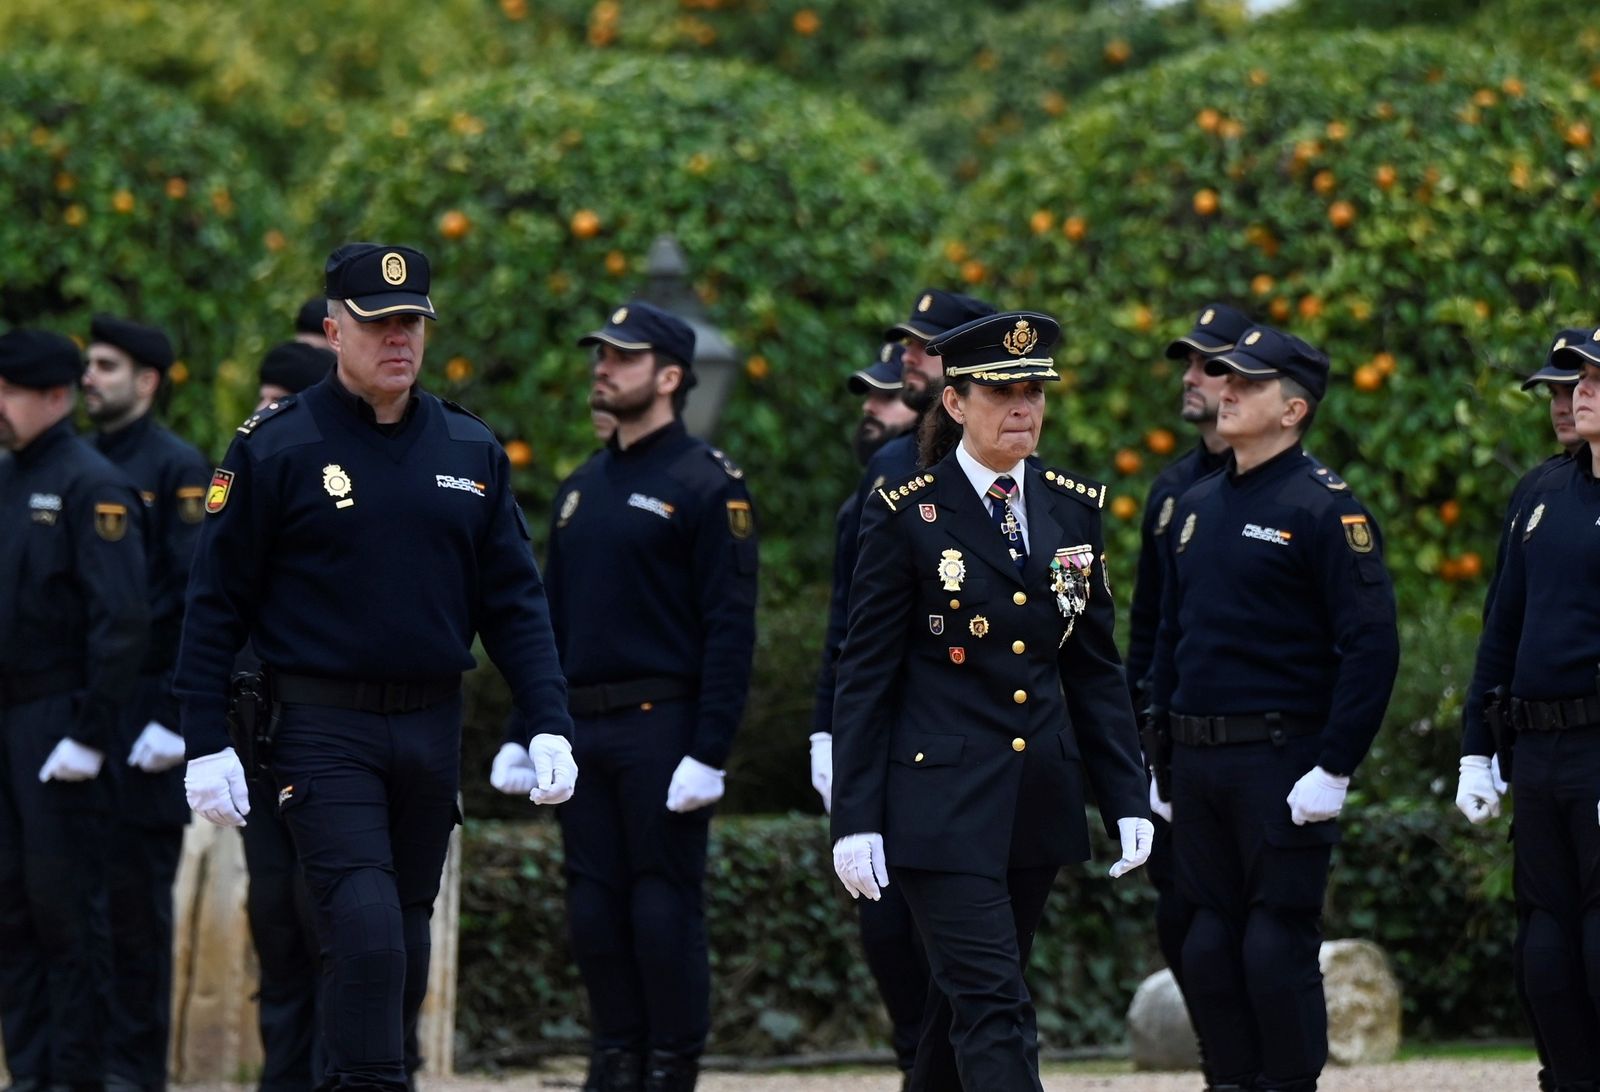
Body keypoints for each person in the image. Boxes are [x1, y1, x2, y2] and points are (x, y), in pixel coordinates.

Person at [174, 243, 577, 1092]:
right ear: (333, 332)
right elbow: (215, 603)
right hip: (321, 725)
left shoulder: (469, 447)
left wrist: (548, 719)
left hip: (429, 724)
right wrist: (203, 740)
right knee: (364, 929)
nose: (400, 338)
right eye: (379, 323)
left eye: (412, 323)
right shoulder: (276, 447)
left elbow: (514, 602)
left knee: (404, 932)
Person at [831, 311, 1152, 1092]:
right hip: (938, 804)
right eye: (1002, 393)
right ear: (954, 402)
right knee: (994, 1005)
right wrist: (855, 816)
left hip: (1035, 797)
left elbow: (1091, 666)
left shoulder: (1071, 508)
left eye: (1033, 392)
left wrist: (1125, 795)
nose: (1022, 409)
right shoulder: (907, 511)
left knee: (959, 1008)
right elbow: (866, 674)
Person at [1146, 325, 1400, 1092]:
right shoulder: (1193, 505)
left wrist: (1335, 766)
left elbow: (1371, 647)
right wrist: (1159, 758)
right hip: (1197, 762)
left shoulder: (1324, 509)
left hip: (1280, 761)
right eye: (1225, 378)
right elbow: (1169, 640)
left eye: (1248, 383)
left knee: (1271, 944)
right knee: (1204, 946)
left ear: (1293, 410)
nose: (1225, 392)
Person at [524, 300, 757, 1092]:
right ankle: (614, 1058)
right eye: (602, 354)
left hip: (664, 725)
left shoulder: (706, 483)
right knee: (592, 908)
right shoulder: (580, 487)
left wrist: (710, 750)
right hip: (583, 726)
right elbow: (548, 620)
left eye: (623, 357)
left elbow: (730, 628)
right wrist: (530, 725)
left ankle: (669, 1065)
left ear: (668, 377)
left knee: (662, 906)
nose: (603, 367)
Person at [0, 328, 150, 1092]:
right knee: (11, 916)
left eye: (8, 391)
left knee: (66, 916)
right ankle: (30, 1076)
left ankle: (76, 1079)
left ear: (54, 396)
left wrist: (90, 735)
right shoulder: (7, 477)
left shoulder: (94, 485)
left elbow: (121, 623)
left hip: (61, 723)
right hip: (9, 723)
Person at [1457, 325, 1600, 1092]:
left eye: (1592, 382)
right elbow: (1502, 629)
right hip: (1539, 751)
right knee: (1544, 946)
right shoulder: (1541, 493)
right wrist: (1476, 748)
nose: (1574, 397)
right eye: (1570, 384)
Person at [80, 314, 213, 1092]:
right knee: (78, 910)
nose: (89, 379)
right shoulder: (78, 460)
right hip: (84, 710)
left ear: (148, 380)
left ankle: (134, 1073)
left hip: (147, 717)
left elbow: (196, 598)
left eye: (106, 366)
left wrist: (175, 715)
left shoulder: (177, 466)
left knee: (135, 914)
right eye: (89, 365)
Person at [1124, 303, 1248, 1021]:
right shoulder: (1172, 489)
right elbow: (1148, 624)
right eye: (1190, 364)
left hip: (1258, 739)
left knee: (1257, 922)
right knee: (1179, 913)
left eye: (1210, 364)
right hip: (1173, 739)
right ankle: (1219, 1057)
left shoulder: (1296, 490)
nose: (1191, 377)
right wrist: (1134, 737)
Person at [807, 342, 925, 1086]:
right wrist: (826, 724)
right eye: (872, 395)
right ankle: (917, 1063)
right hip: (880, 736)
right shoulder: (873, 485)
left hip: (947, 737)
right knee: (886, 931)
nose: (873, 408)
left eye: (888, 395)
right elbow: (847, 629)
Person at [231, 338, 339, 1092]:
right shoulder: (252, 479)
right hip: (259, 739)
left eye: (279, 400)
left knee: (328, 917)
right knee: (274, 916)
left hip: (330, 737)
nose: (263, 413)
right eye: (261, 397)